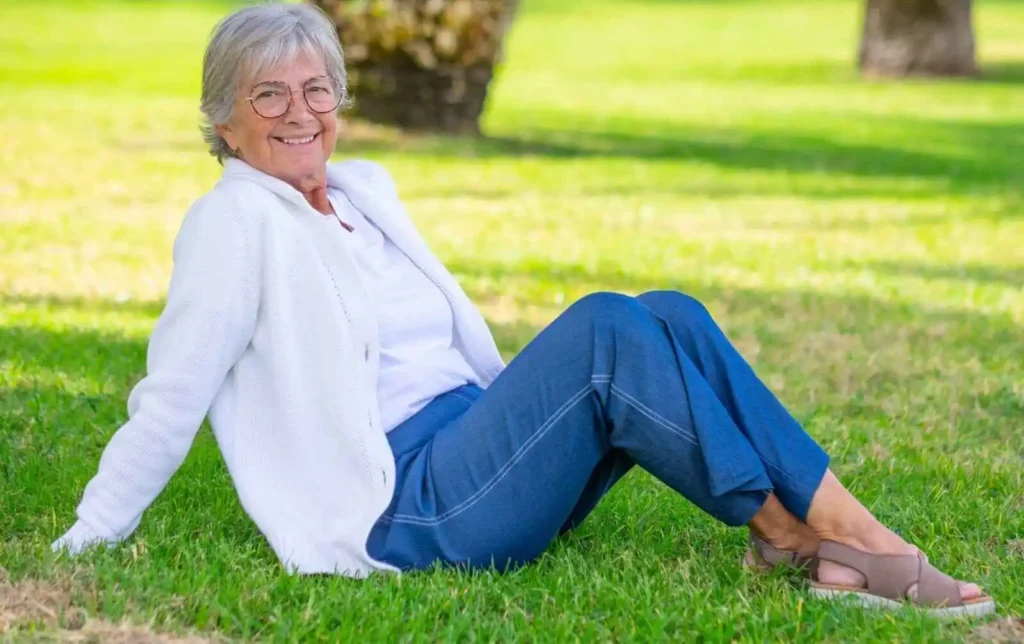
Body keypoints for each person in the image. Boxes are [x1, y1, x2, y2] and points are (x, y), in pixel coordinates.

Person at [52, 3, 993, 618]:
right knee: (605, 330)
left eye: (317, 88)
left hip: (474, 445)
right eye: (269, 95)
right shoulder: (231, 224)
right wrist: (90, 536)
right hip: (405, 505)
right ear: (224, 120)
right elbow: (171, 392)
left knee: (667, 312)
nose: (301, 113)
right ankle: (830, 538)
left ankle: (804, 536)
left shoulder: (363, 186)